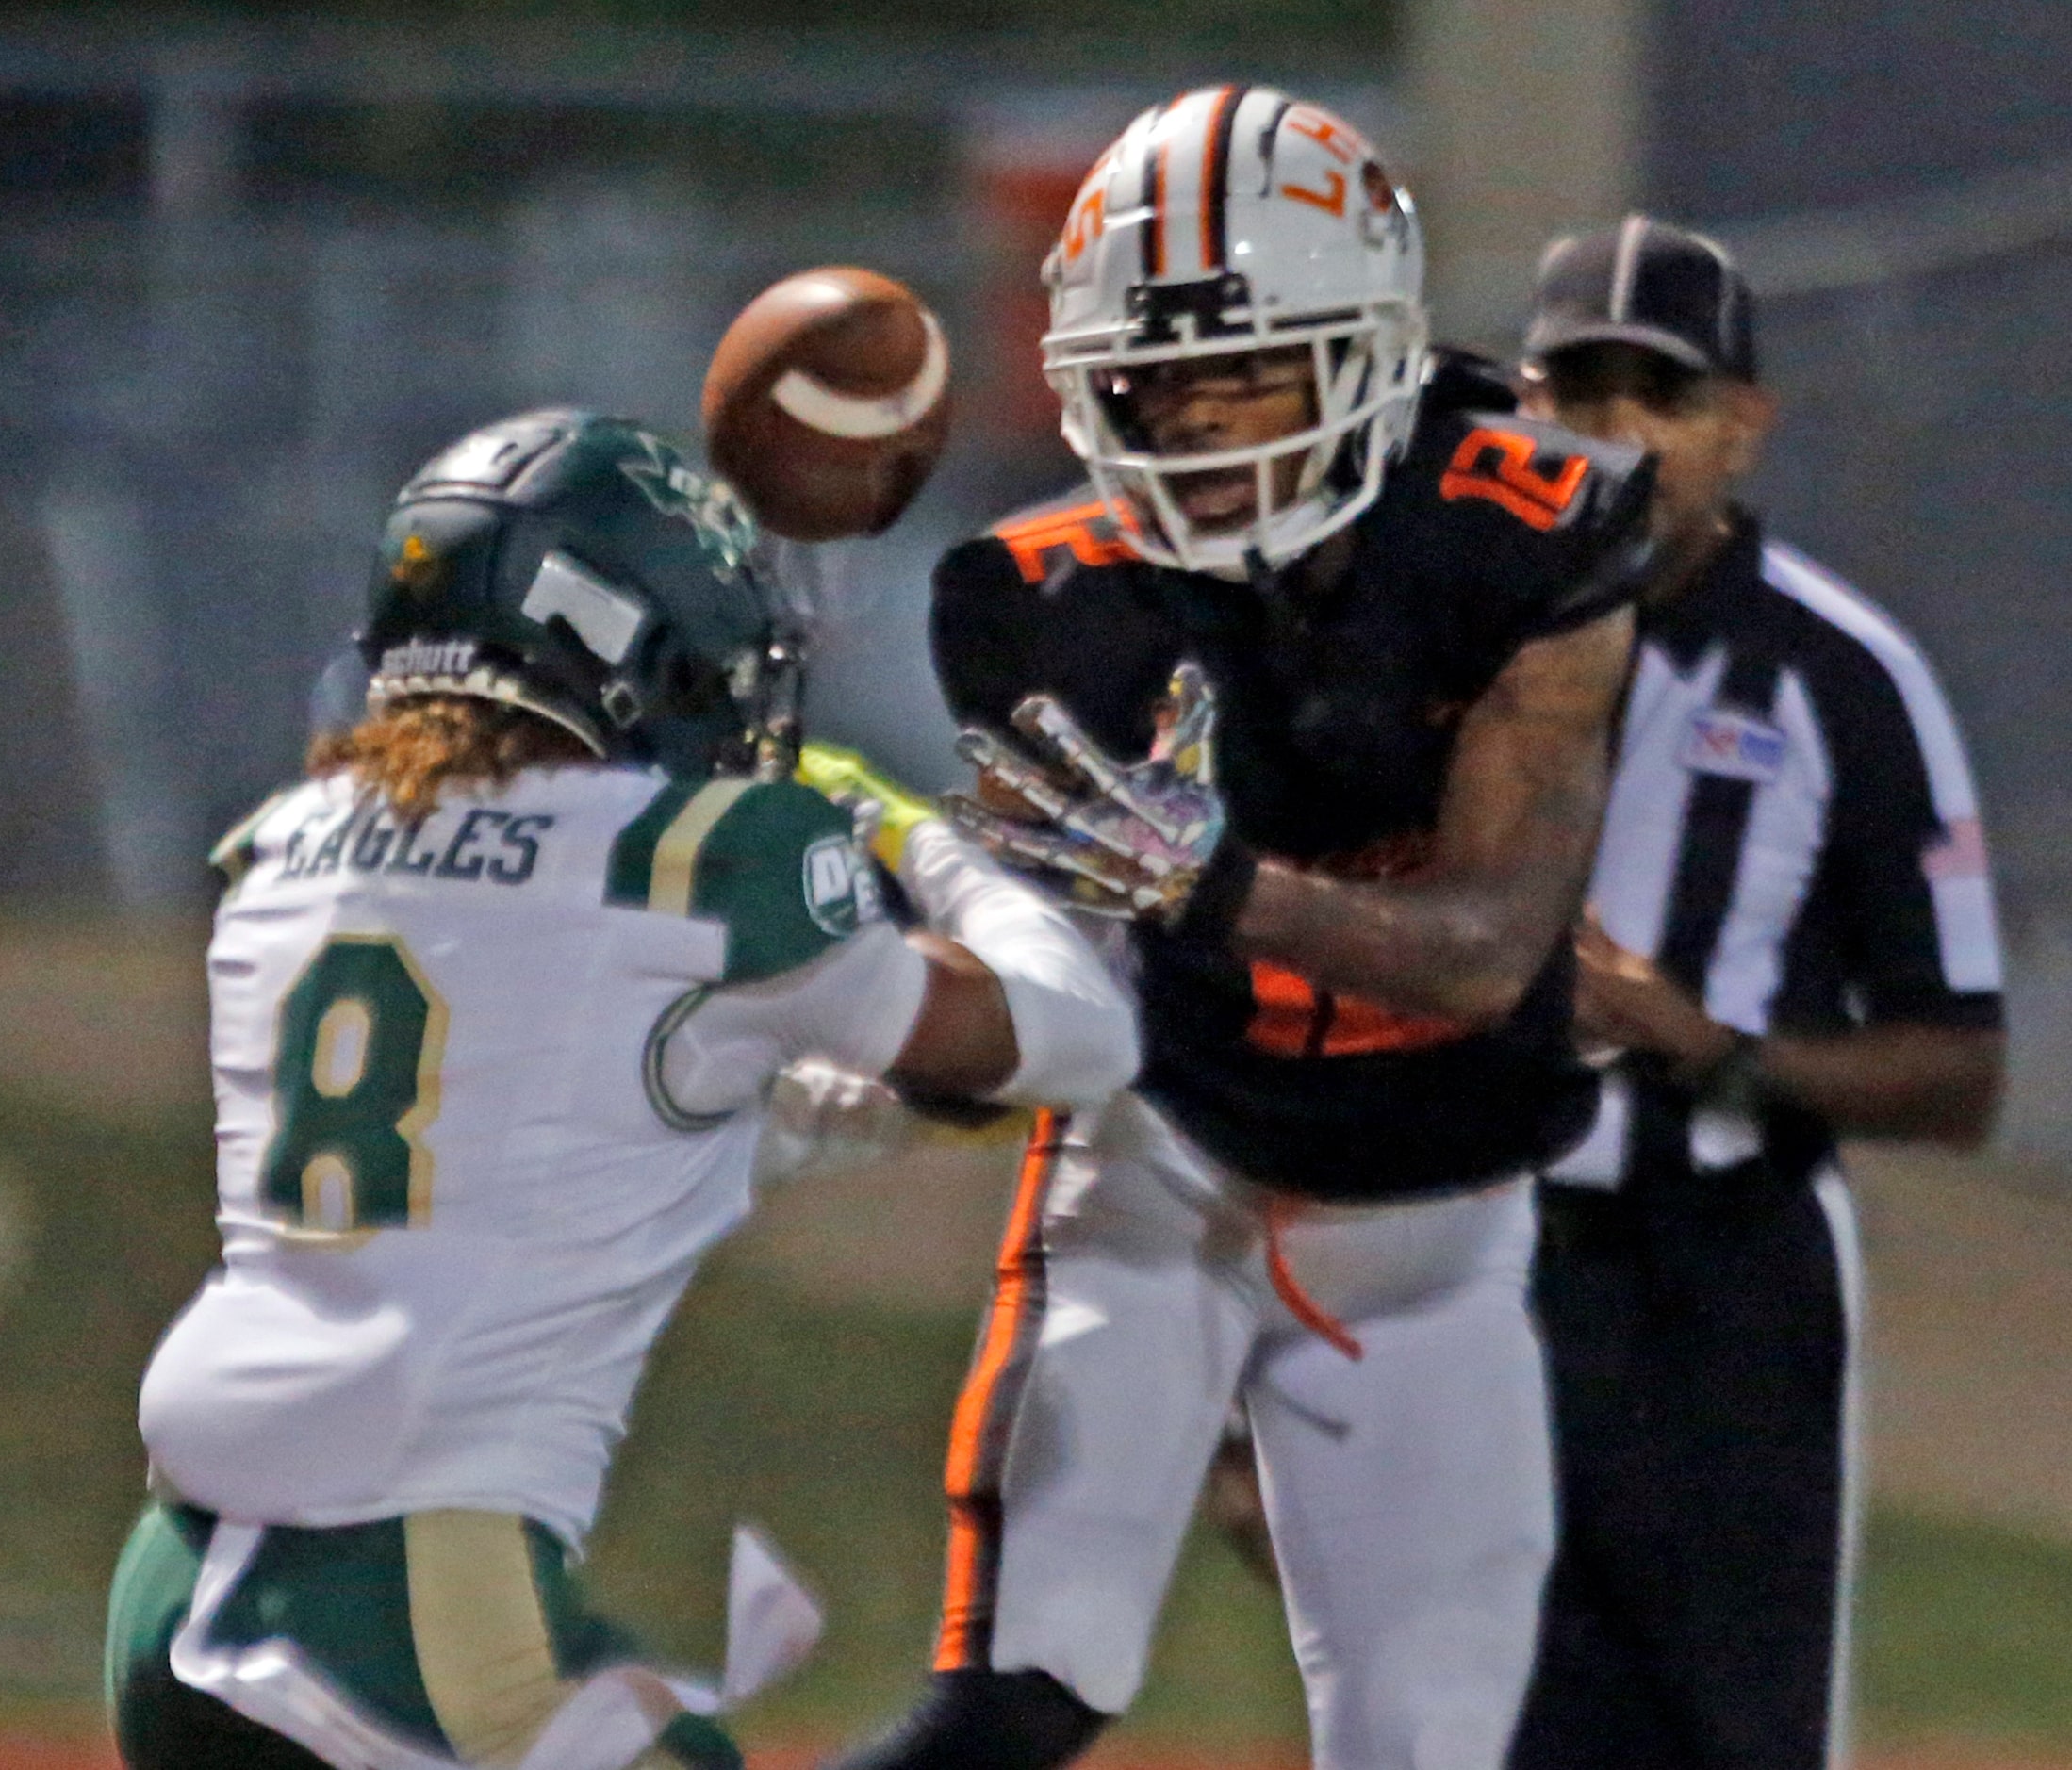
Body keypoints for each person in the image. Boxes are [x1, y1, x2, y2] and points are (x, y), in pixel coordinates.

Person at [103, 410, 1141, 1770]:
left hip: (170, 1575)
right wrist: (904, 829)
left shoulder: (282, 843)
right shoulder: (692, 857)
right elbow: (1080, 1036)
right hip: (411, 1594)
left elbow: (515, 1127)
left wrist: (782, 1120)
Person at [824, 86, 1658, 1770]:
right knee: (1011, 1699)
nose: (1203, 424)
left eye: (1251, 370)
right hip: (1166, 1167)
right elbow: (1062, 979)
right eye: (1155, 382)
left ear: (1370, 350)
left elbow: (1491, 942)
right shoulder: (1031, 603)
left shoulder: (1530, 532)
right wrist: (869, 1053)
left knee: (1422, 1746)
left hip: (1434, 1216)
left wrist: (1224, 886)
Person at [1503, 220, 2005, 1770]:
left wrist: (1703, 1045)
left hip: (1727, 1286)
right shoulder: (1446, 637)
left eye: (1657, 394)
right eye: (1575, 390)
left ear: (1741, 421)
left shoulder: (1839, 675)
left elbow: (1958, 1071)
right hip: (1468, 1256)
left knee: (1733, 1733)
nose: (1613, 435)